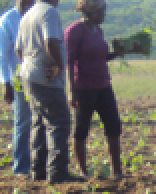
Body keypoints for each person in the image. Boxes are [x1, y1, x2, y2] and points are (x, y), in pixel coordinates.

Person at [16, 0, 81, 183]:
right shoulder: (49, 12)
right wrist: (59, 66)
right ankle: (57, 172)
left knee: (39, 122)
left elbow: (18, 49)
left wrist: (29, 65)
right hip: (46, 76)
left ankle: (38, 170)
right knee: (58, 123)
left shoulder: (27, 14)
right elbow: (50, 41)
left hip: (28, 73)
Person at [65, 0, 124, 178]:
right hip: (84, 87)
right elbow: (69, 62)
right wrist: (72, 91)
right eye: (101, 11)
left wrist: (118, 52)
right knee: (82, 128)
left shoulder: (98, 31)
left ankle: (117, 171)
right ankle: (83, 172)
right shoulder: (74, 31)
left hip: (103, 86)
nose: (104, 15)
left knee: (113, 126)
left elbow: (101, 57)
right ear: (91, 12)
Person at [0, 0, 34, 177]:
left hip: (38, 77)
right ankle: (21, 167)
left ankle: (38, 163)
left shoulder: (37, 15)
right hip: (18, 79)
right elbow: (2, 55)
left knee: (41, 122)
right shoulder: (7, 20)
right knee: (23, 122)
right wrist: (5, 82)